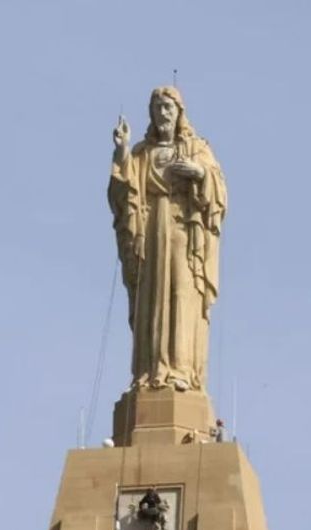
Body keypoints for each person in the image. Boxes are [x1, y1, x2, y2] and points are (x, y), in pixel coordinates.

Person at [108, 86, 228, 393]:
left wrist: (198, 172)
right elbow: (123, 192)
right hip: (149, 233)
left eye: (168, 108)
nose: (162, 113)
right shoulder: (141, 154)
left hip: (184, 231)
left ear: (179, 113)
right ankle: (149, 371)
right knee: (151, 298)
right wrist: (121, 151)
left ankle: (182, 371)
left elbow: (220, 193)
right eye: (157, 107)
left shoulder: (196, 148)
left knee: (182, 294)